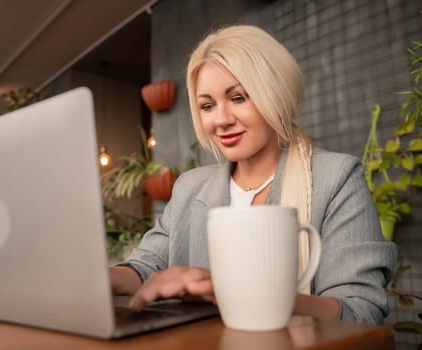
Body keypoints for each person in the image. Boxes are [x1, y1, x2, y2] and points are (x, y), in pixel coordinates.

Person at [109, 25, 397, 324]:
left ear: (276, 94)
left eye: (238, 98)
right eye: (207, 105)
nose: (221, 120)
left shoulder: (336, 178)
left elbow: (360, 310)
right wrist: (101, 278)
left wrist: (242, 296)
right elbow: (146, 267)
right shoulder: (190, 187)